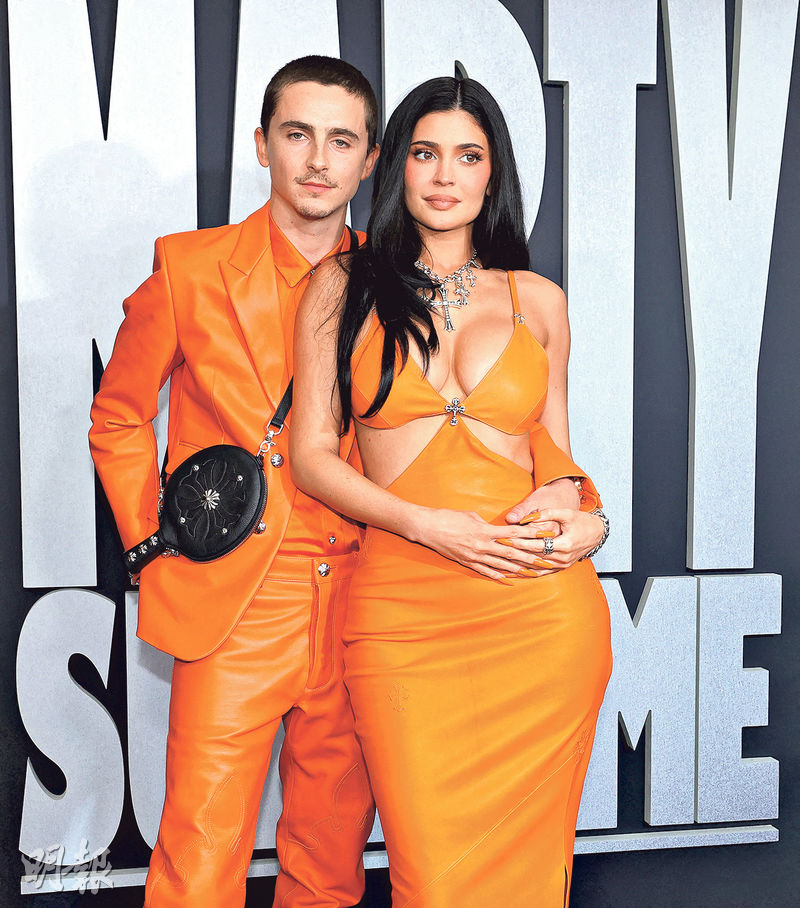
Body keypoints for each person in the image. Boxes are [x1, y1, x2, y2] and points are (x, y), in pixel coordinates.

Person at [291, 76, 612, 907]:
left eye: (468, 156)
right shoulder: (342, 285)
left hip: (538, 615)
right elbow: (313, 457)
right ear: (396, 164)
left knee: (530, 881)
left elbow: (558, 461)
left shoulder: (539, 301)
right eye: (426, 153)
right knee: (431, 880)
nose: (445, 175)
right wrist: (427, 525)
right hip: (405, 615)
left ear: (492, 173)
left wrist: (590, 516)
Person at [89, 56, 382, 908]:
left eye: (342, 141)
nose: (318, 160)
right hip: (238, 602)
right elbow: (118, 418)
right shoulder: (190, 268)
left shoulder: (399, 285)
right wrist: (154, 546)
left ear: (370, 160)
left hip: (366, 596)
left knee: (330, 863)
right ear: (261, 145)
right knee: (200, 857)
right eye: (298, 135)